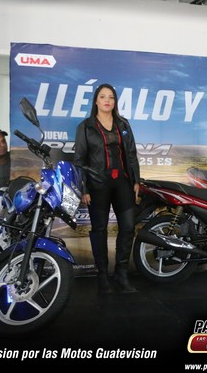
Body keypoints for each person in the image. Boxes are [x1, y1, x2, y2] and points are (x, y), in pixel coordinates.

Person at [74, 83, 141, 294]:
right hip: (97, 185)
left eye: (111, 97)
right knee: (100, 229)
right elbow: (80, 160)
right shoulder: (85, 127)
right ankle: (102, 276)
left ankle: (121, 275)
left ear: (115, 101)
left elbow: (131, 154)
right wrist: (84, 188)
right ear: (96, 100)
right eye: (103, 96)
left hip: (122, 182)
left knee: (128, 227)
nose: (107, 100)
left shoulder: (123, 124)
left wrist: (136, 181)